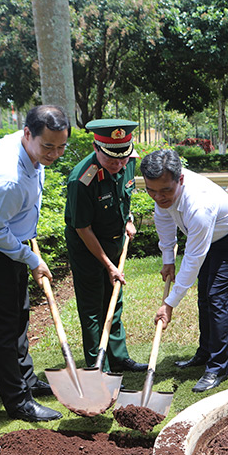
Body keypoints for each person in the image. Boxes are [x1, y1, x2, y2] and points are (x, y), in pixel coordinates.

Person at [0, 105, 69, 422]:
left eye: (61, 146)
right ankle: (18, 400)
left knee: (19, 315)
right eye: (47, 146)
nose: (54, 154)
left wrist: (25, 245)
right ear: (27, 134)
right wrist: (30, 258)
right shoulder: (9, 178)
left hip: (9, 240)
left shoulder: (25, 147)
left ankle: (26, 379)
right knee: (4, 329)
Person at [141, 149, 228, 393]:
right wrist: (168, 259)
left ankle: (217, 368)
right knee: (204, 298)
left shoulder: (199, 205)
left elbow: (193, 258)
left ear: (181, 179)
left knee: (217, 298)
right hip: (207, 238)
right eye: (151, 190)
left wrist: (169, 303)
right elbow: (164, 219)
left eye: (165, 190)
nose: (158, 196)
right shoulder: (161, 192)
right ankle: (205, 353)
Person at [64, 119, 146, 373]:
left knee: (114, 299)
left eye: (122, 159)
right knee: (92, 307)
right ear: (96, 148)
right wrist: (108, 265)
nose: (118, 165)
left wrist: (129, 219)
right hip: (87, 248)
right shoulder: (82, 180)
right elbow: (83, 228)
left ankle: (118, 356)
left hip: (114, 243)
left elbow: (124, 196)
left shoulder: (127, 161)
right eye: (112, 160)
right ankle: (98, 365)